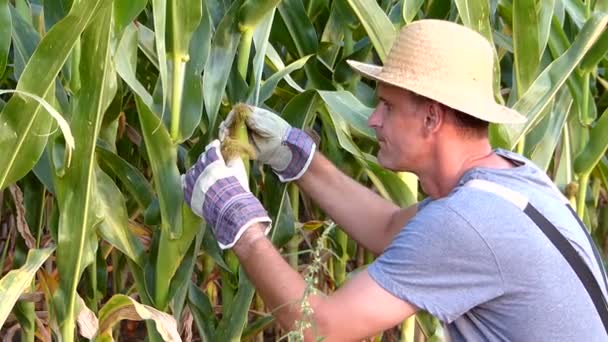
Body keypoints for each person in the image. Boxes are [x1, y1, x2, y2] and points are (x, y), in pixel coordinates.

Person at [181, 19, 608, 341]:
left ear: (431, 117)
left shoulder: (465, 223)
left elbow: (320, 329)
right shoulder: (511, 179)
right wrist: (296, 159)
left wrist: (240, 225)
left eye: (386, 105)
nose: (372, 119)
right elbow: (388, 229)